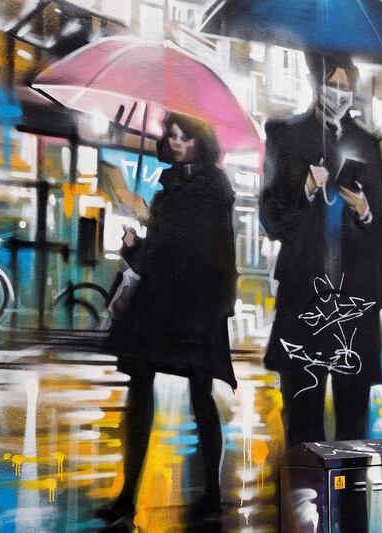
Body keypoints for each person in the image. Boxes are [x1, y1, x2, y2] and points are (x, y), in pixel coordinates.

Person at [100, 113, 238, 525]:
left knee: (200, 395)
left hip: (197, 305)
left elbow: (203, 251)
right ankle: (128, 494)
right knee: (139, 387)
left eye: (185, 137)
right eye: (172, 135)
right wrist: (135, 245)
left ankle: (211, 495)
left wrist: (150, 235)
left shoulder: (214, 188)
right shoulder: (167, 185)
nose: (176, 142)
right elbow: (161, 253)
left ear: (201, 140)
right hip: (160, 303)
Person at [260, 53, 382, 449]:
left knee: (353, 423)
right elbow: (271, 218)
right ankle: (305, 501)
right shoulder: (287, 138)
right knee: (302, 419)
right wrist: (304, 190)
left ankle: (347, 506)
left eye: (345, 86)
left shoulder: (366, 146)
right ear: (316, 84)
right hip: (305, 301)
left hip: (354, 303)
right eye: (332, 85)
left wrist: (365, 211)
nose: (339, 93)